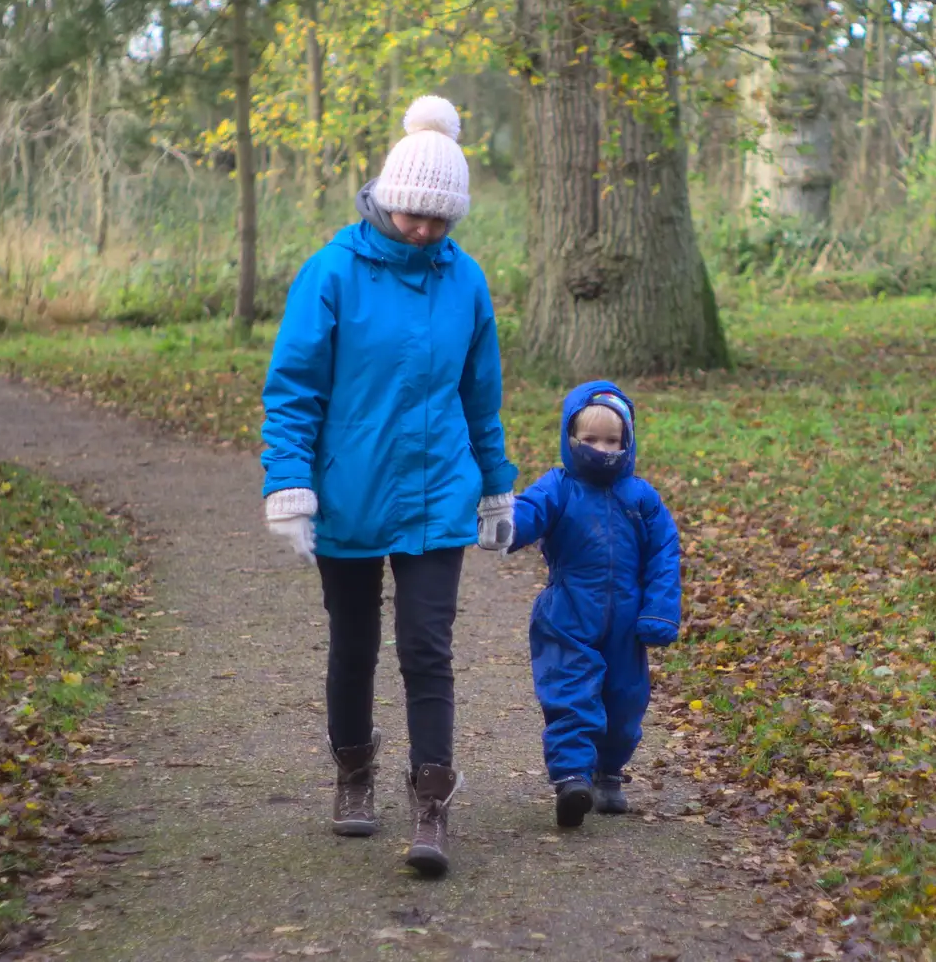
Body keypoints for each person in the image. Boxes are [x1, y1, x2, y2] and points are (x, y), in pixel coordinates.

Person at [260, 95, 518, 877]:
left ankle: (431, 801)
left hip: (440, 492)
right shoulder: (330, 271)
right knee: (354, 641)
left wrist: (497, 486)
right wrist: (289, 483)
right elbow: (294, 386)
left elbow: (481, 392)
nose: (424, 230)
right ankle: (353, 775)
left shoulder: (465, 281)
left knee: (427, 646)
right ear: (385, 196)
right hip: (352, 491)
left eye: (440, 220)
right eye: (413, 214)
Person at [508, 381, 682, 828]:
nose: (602, 449)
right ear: (571, 439)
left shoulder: (640, 498)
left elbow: (664, 555)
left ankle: (609, 774)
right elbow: (529, 511)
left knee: (625, 703)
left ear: (628, 443)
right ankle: (572, 779)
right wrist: (505, 524)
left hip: (627, 620)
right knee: (571, 692)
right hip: (568, 611)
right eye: (590, 439)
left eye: (612, 440)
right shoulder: (559, 487)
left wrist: (659, 609)